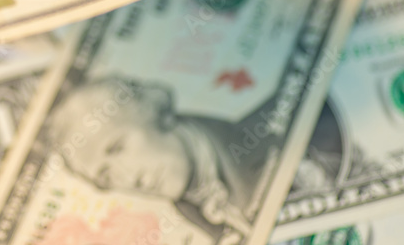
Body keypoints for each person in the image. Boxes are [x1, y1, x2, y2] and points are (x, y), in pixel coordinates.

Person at [44, 77, 282, 236]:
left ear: (152, 110)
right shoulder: (205, 223)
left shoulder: (291, 129)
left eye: (118, 147)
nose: (128, 178)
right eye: (106, 176)